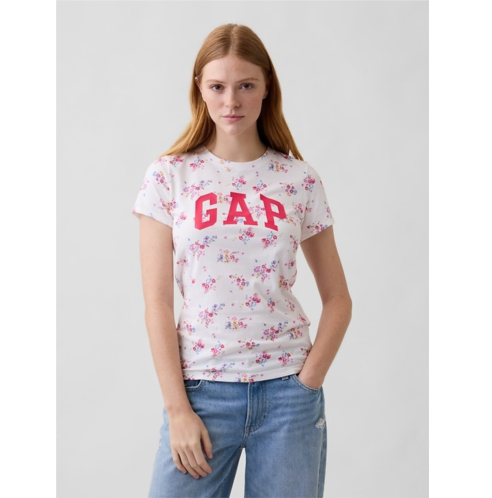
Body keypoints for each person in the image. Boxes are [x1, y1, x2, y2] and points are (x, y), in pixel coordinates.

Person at [132, 23, 352, 498]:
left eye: (246, 85)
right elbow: (157, 305)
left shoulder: (299, 180)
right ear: (200, 89)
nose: (231, 101)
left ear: (267, 86)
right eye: (218, 86)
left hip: (288, 395)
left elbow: (338, 298)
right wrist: (178, 409)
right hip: (202, 391)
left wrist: (307, 383)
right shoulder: (169, 176)